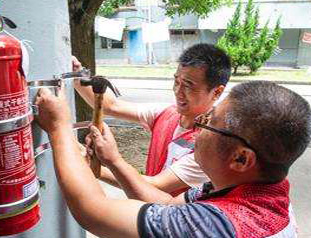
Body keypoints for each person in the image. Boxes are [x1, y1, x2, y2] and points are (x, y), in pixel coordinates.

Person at [35, 80, 310, 237]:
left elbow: (93, 212)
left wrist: (58, 127)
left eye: (207, 122)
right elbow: (166, 203)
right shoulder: (262, 193)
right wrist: (114, 161)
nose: (196, 128)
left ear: (241, 159)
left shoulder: (215, 225)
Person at [73, 43, 231, 195]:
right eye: (176, 81)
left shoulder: (210, 145)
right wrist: (77, 75)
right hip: (152, 212)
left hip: (179, 219)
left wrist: (96, 165)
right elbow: (111, 106)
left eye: (188, 85)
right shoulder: (166, 114)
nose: (178, 91)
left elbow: (157, 185)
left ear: (217, 92)